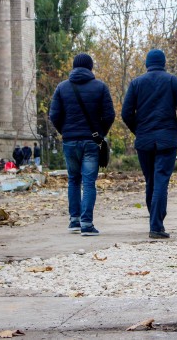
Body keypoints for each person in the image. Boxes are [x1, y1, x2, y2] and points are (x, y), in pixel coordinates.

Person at [122, 49, 177, 239]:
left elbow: (126, 113)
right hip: (167, 139)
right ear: (163, 63)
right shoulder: (173, 82)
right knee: (161, 180)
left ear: (147, 63)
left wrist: (139, 130)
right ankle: (156, 224)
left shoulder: (136, 83)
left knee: (151, 181)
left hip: (144, 140)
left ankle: (155, 222)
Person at [50, 53, 115, 236]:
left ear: (74, 67)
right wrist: (100, 134)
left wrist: (65, 132)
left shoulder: (62, 88)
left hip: (70, 141)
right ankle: (87, 224)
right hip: (91, 141)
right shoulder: (100, 87)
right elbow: (109, 115)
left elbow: (54, 115)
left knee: (73, 180)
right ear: (90, 67)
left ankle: (74, 221)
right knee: (88, 183)